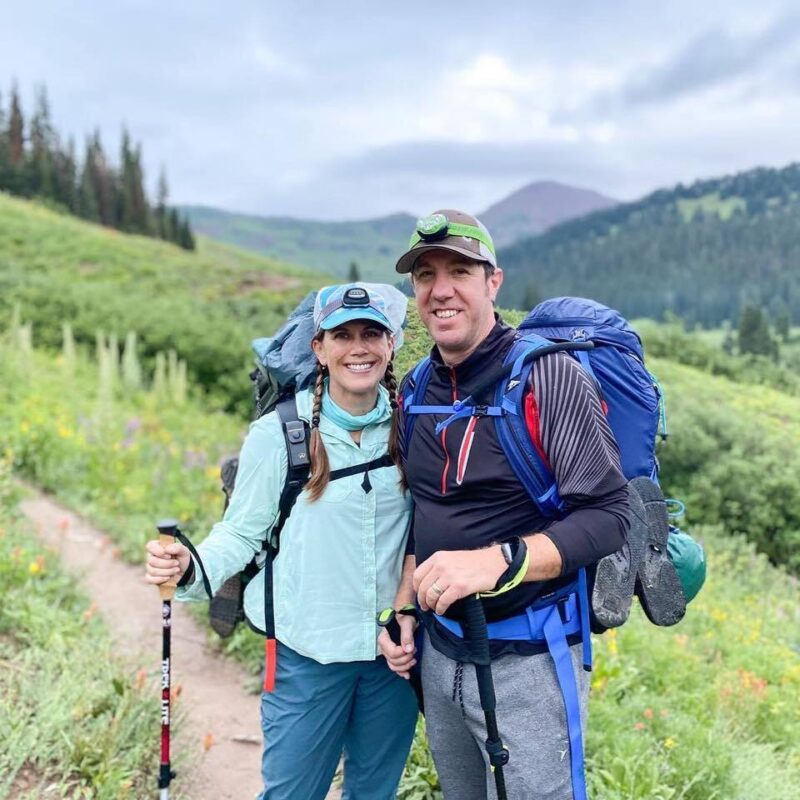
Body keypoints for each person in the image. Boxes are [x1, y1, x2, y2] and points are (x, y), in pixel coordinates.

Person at [380, 210, 630, 800]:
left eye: (459, 270)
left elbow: (610, 515)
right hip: (441, 656)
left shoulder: (548, 378)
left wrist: (501, 560)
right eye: (425, 275)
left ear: (493, 282)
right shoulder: (417, 389)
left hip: (531, 658)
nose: (440, 289)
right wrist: (405, 608)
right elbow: (427, 512)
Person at [145, 283, 418, 800]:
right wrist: (189, 565)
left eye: (371, 333)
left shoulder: (412, 427)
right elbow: (241, 531)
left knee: (375, 794)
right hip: (303, 653)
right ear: (319, 348)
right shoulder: (281, 433)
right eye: (342, 335)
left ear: (393, 343)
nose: (358, 347)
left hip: (392, 658)